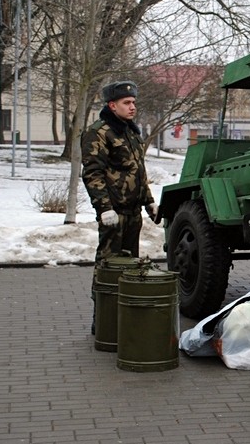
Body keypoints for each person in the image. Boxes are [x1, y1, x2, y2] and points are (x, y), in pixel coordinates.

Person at [81, 81, 158, 334]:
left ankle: (123, 317)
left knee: (129, 267)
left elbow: (138, 172)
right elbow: (93, 173)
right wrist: (104, 208)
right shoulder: (99, 132)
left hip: (133, 213)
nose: (132, 106)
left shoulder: (131, 132)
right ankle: (102, 319)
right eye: (127, 103)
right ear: (112, 105)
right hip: (113, 213)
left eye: (134, 102)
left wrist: (148, 202)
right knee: (107, 267)